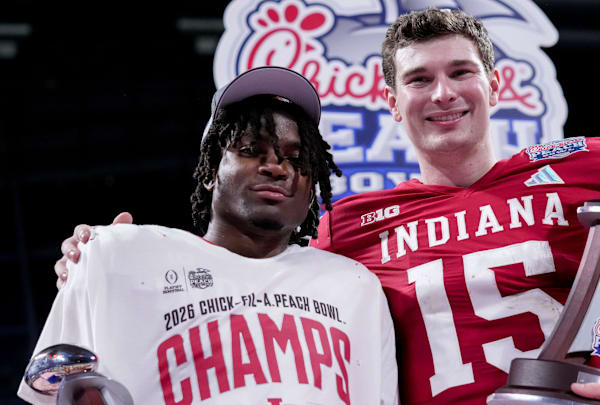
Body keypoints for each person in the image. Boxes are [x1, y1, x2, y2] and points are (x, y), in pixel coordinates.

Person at [54, 8, 600, 405]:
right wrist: (114, 267)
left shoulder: (581, 174)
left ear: (495, 83)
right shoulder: (345, 228)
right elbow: (240, 287)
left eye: (460, 72)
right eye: (419, 79)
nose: (443, 93)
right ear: (393, 103)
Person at [21, 66, 398, 405]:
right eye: (252, 149)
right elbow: (56, 392)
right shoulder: (122, 254)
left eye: (297, 159)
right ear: (210, 171)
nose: (277, 167)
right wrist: (97, 259)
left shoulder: (356, 286)